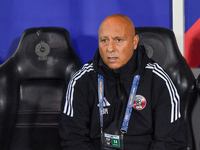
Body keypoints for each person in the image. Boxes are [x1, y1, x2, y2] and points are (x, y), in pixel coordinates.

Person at [59, 14, 186, 150]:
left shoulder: (159, 81)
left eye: (118, 40)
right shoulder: (81, 81)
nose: (110, 48)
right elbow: (72, 139)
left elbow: (168, 142)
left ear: (134, 42)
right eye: (104, 41)